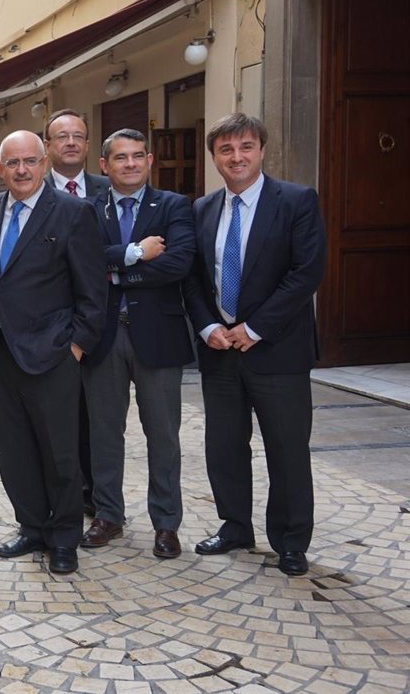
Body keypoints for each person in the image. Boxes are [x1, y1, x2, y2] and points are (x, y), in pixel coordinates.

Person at [181, 113, 325, 577]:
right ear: (215, 157)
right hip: (220, 351)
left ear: (262, 150)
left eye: (245, 147)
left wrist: (255, 328)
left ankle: (290, 541)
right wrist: (207, 327)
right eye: (226, 150)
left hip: (277, 351)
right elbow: (193, 280)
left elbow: (306, 274)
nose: (236, 157)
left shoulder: (297, 201)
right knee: (224, 445)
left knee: (286, 449)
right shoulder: (201, 210)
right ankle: (234, 526)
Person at [0, 130, 106, 575]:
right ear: (0, 170)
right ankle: (31, 526)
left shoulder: (73, 212)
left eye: (30, 161)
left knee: (60, 453)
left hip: (52, 356)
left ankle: (64, 536)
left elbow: (93, 291)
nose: (22, 170)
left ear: (45, 162)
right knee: (14, 451)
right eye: (12, 163)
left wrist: (75, 346)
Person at [81, 129, 195, 558]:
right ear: (104, 166)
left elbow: (178, 263)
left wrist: (116, 271)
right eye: (119, 158)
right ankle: (108, 515)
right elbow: (85, 261)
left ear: (149, 161)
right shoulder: (88, 209)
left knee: (163, 435)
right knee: (104, 432)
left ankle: (166, 523)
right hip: (104, 337)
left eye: (136, 156)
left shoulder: (174, 206)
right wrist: (133, 254)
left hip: (158, 337)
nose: (129, 164)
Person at [43, 107, 110, 517]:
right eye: (61, 136)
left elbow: (103, 253)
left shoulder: (109, 189)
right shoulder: (31, 189)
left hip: (101, 326)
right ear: (47, 146)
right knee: (58, 423)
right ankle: (63, 499)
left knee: (98, 422)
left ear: (88, 145)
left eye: (78, 136)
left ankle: (99, 501)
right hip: (49, 336)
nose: (70, 142)